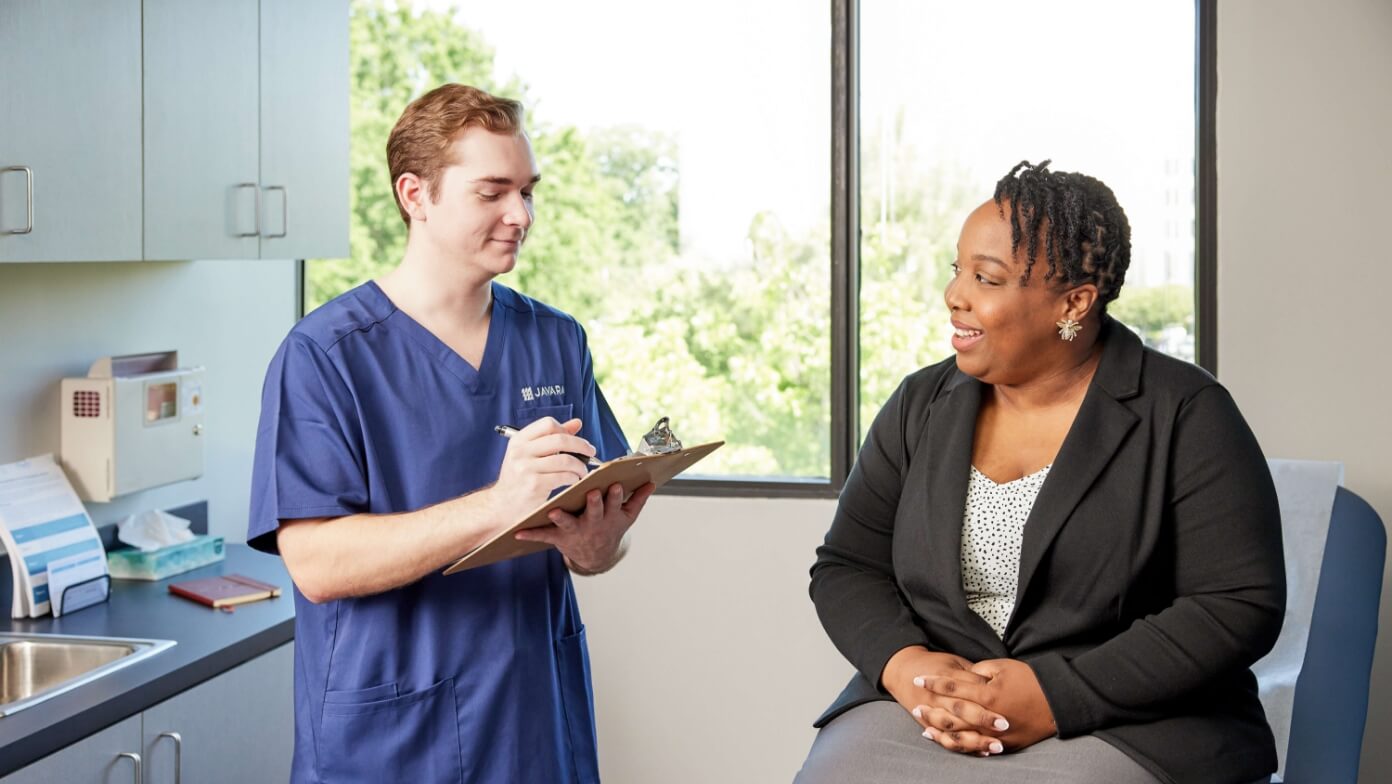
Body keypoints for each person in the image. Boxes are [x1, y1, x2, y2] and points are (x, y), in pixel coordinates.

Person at [796, 161, 1285, 784]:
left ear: (1074, 301)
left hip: (1131, 721)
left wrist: (1058, 693)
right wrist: (906, 664)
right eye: (958, 270)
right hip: (931, 708)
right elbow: (848, 566)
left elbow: (1236, 604)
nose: (955, 295)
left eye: (986, 278)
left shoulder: (1187, 412)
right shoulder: (920, 404)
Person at [247, 83, 654, 784]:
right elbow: (316, 564)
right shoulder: (326, 356)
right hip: (391, 741)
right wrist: (496, 505)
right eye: (492, 192)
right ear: (416, 195)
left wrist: (596, 547)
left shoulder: (555, 340)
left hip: (533, 726)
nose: (519, 215)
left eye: (528, 191)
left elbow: (593, 542)